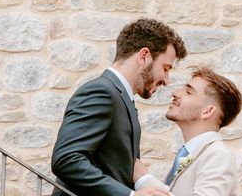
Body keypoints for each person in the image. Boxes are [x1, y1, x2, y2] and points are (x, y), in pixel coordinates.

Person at [51, 18, 188, 196]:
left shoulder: (121, 97)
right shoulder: (102, 91)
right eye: (166, 68)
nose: (166, 80)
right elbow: (66, 159)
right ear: (144, 56)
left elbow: (118, 167)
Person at [134, 67, 242, 196]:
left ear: (207, 111)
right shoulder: (192, 153)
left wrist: (143, 178)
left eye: (189, 92)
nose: (175, 93)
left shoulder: (218, 155)